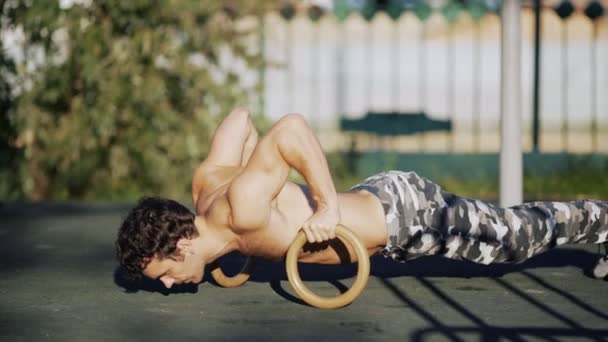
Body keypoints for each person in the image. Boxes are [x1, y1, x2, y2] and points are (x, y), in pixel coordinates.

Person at [115, 108, 608, 289]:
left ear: (177, 248)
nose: (169, 286)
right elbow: (241, 119)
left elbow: (290, 129)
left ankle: (602, 220)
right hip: (381, 203)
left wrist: (324, 206)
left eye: (164, 276)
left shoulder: (239, 206)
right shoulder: (204, 187)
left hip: (406, 215)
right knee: (511, 236)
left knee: (516, 240)